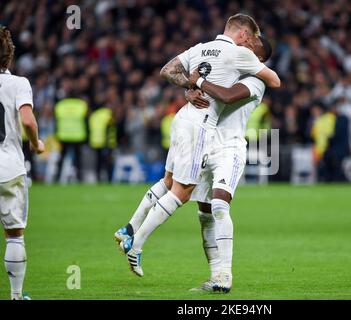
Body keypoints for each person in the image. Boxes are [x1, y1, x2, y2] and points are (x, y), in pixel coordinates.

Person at [114, 13, 280, 280]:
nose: (249, 50)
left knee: (184, 192)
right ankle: (136, 241)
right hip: (201, 129)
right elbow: (261, 82)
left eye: (255, 51)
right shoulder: (237, 55)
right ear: (244, 35)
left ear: (259, 57)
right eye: (250, 43)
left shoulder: (208, 52)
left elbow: (176, 73)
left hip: (214, 138)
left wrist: (195, 83)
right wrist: (191, 85)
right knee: (182, 191)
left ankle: (132, 230)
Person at [186, 35, 272, 292]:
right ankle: (214, 277)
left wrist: (198, 80)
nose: (242, 46)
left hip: (229, 148)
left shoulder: (256, 81)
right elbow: (202, 96)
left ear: (259, 57)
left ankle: (225, 276)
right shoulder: (226, 70)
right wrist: (191, 92)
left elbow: (226, 96)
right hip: (203, 146)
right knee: (204, 213)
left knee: (220, 206)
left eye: (249, 46)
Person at [0, 27, 45, 300]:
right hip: (9, 167)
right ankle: (16, 297)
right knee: (14, 235)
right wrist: (36, 143)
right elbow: (28, 120)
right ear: (9, 58)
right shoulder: (18, 83)